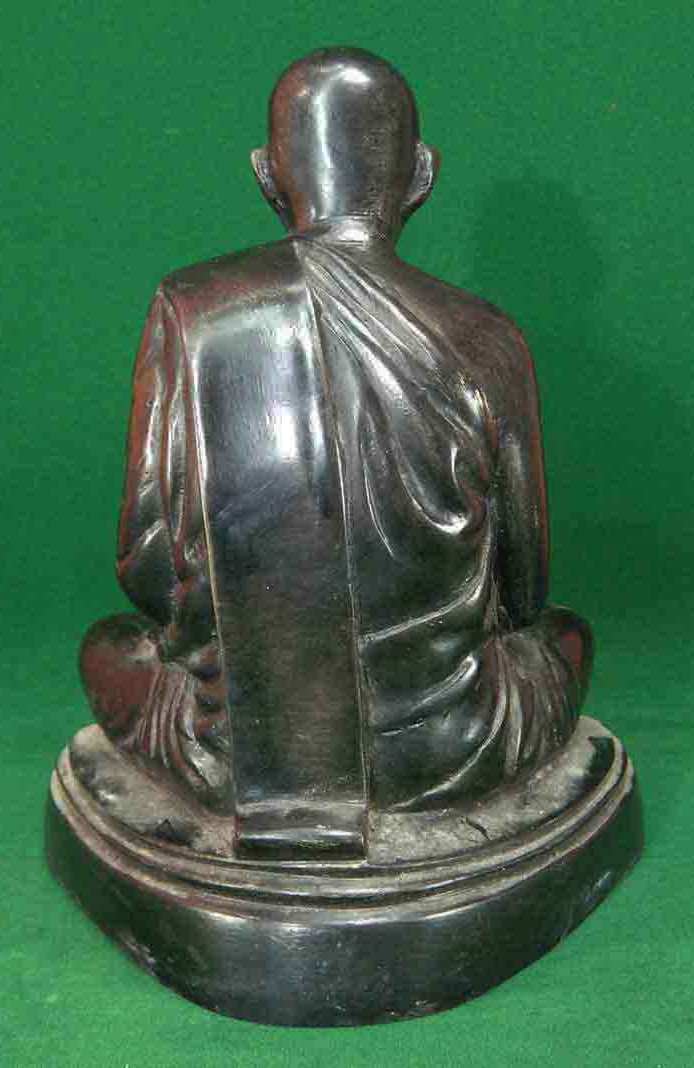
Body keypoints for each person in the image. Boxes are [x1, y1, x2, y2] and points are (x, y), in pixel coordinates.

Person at [80, 48, 592, 857]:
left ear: (266, 176)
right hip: (452, 754)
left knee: (109, 649)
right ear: (421, 176)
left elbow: (146, 569)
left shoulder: (192, 309)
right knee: (566, 639)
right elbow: (525, 596)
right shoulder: (488, 338)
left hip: (234, 760)